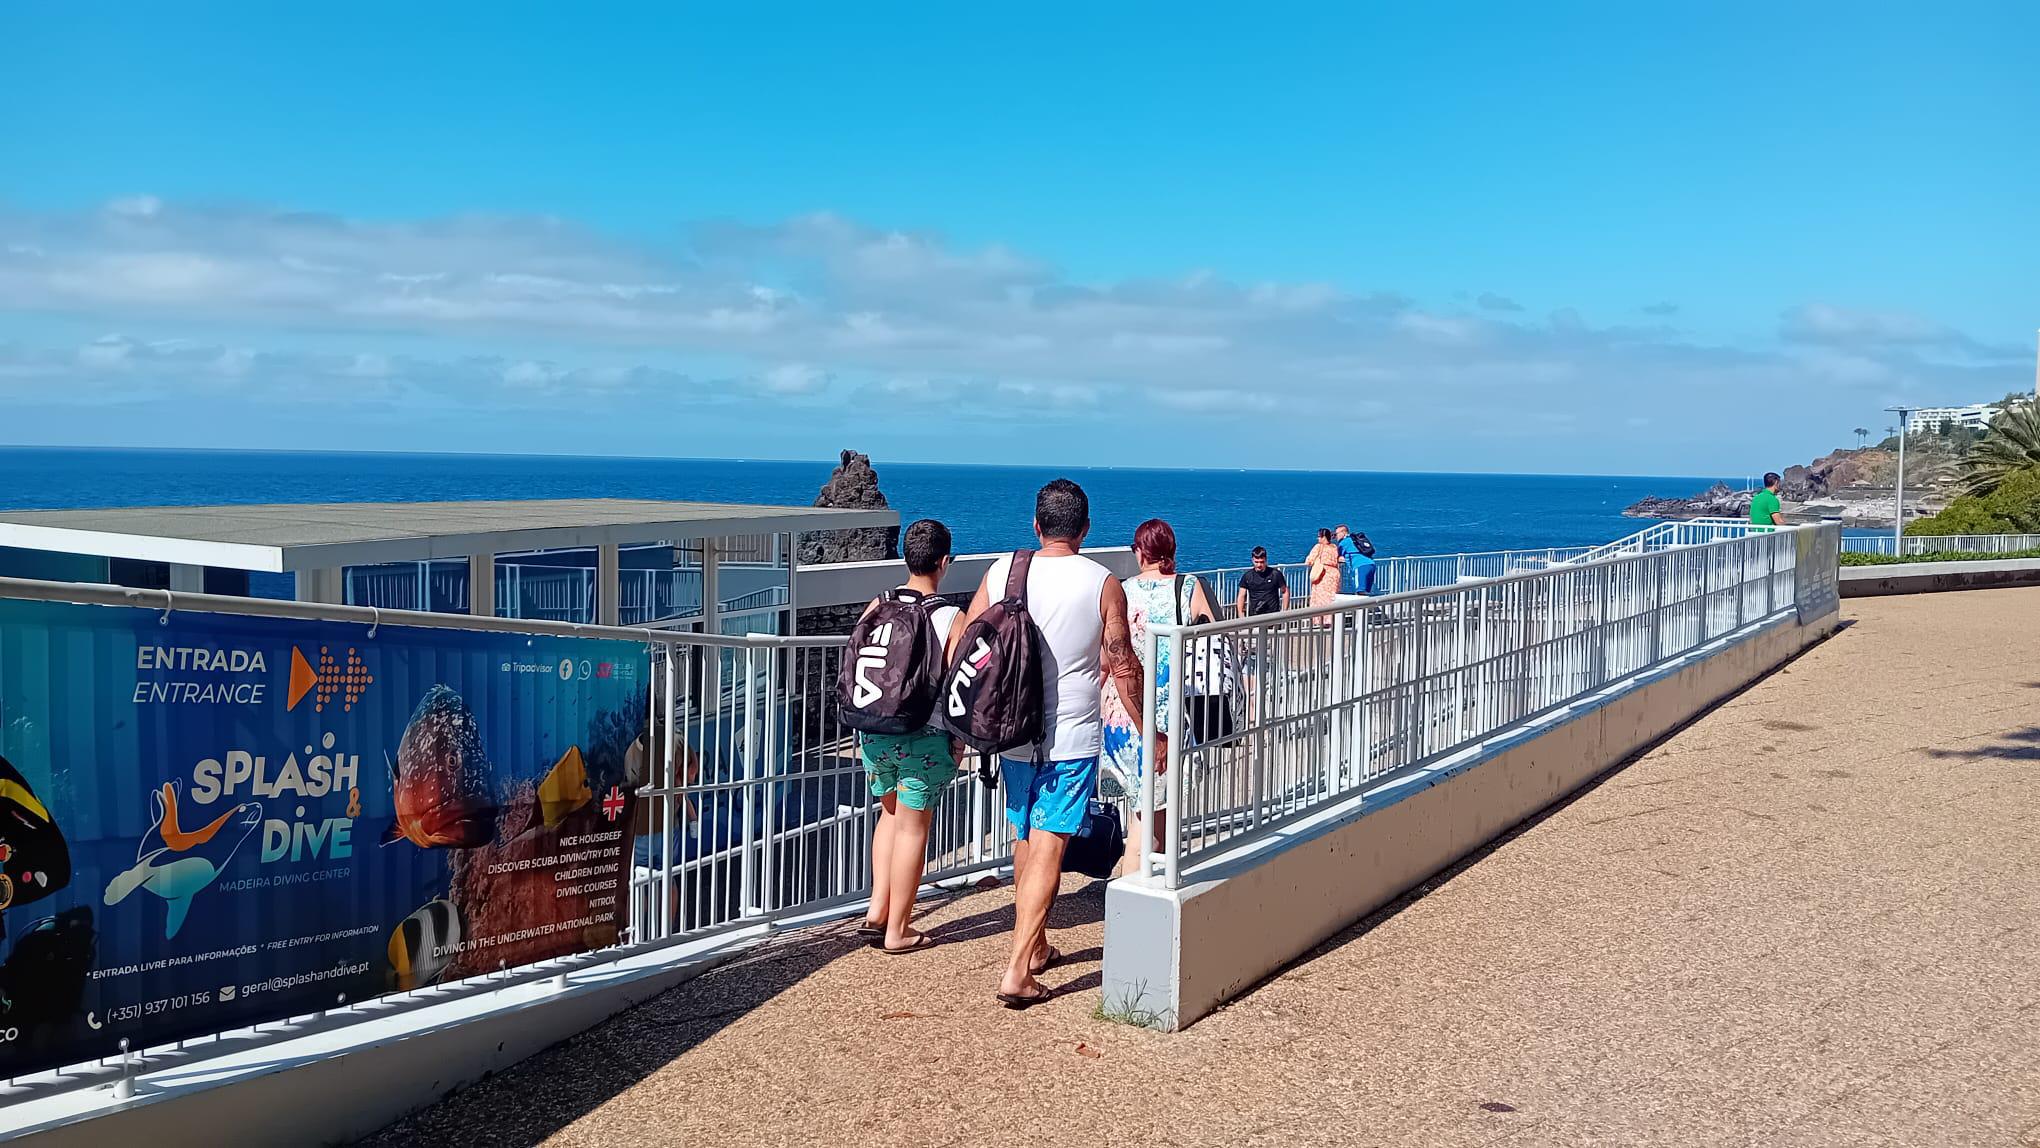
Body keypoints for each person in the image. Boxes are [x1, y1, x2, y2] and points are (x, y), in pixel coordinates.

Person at [956, 479, 1151, 1008]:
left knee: (1025, 836)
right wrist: (1148, 729)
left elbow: (964, 643)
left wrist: (960, 723)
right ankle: (1018, 971)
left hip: (1012, 731)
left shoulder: (1003, 571)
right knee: (1049, 842)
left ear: (1036, 525)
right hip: (1070, 735)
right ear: (1085, 529)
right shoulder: (1102, 583)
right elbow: (1123, 664)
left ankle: (1037, 945)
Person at [854, 519, 965, 954]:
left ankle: (876, 912)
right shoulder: (949, 616)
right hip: (924, 735)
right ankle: (898, 929)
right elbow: (959, 686)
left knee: (889, 816)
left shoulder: (878, 604)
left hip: (874, 729)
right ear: (943, 562)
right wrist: (960, 739)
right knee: (913, 828)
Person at [1100, 519, 1217, 876]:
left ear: (1139, 552)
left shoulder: (1122, 590)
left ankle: (1149, 882)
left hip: (1120, 713)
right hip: (1162, 715)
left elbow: (1106, 660)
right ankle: (1133, 892)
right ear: (1171, 550)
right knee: (1146, 822)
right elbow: (1214, 637)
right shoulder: (1188, 587)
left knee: (1149, 811)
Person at [1235, 545, 1289, 617]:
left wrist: (1284, 611)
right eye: (1256, 562)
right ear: (1252, 560)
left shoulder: (1275, 574)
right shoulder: (1247, 576)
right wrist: (1241, 615)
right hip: (1254, 616)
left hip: (1273, 615)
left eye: (1262, 562)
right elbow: (1241, 595)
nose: (1259, 565)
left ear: (1266, 560)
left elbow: (1285, 591)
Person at [1305, 527, 1342, 611]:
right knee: (1331, 598)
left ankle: (1319, 617)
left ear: (1324, 537)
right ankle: (1331, 617)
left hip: (1323, 574)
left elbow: (1309, 561)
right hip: (1334, 573)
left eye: (1319, 536)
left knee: (1320, 599)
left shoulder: (1318, 547)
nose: (1317, 538)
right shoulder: (1334, 547)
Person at [1334, 524, 1377, 596]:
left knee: (1360, 590)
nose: (1336, 536)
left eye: (1336, 534)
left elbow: (1335, 556)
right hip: (1371, 564)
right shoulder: (1354, 540)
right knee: (1367, 591)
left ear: (1343, 532)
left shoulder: (1344, 542)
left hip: (1360, 565)